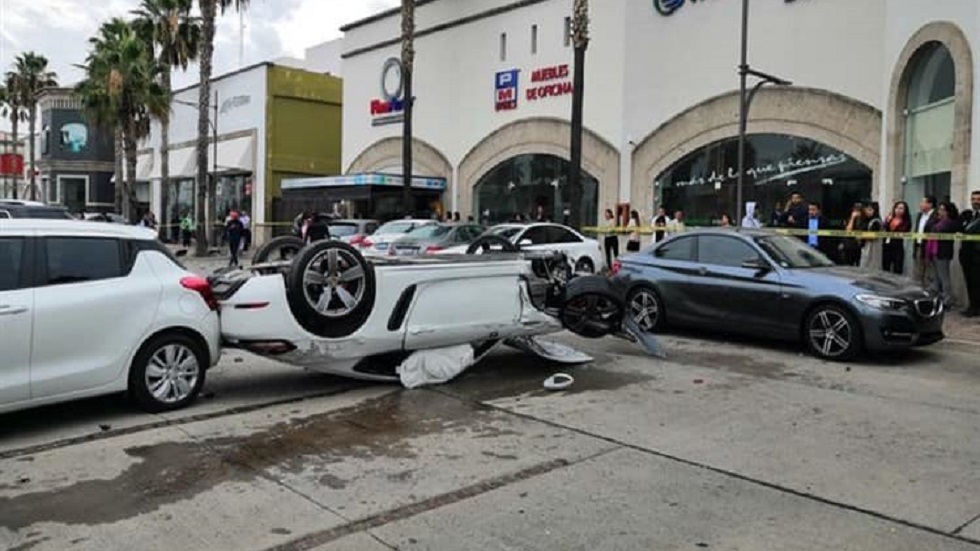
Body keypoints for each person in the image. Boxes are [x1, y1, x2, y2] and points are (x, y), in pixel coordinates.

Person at [926, 201, 960, 307]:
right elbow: (929, 228)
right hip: (934, 251)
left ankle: (947, 299)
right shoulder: (937, 221)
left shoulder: (950, 223)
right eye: (939, 209)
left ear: (948, 212)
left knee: (944, 277)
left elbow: (938, 231)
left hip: (943, 253)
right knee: (936, 277)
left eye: (943, 210)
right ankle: (937, 297)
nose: (940, 212)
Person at [959, 190, 980, 316]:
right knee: (970, 281)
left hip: (978, 254)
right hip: (967, 254)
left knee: (978, 282)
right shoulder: (968, 216)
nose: (975, 202)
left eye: (978, 199)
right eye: (973, 199)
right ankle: (973, 306)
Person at [913, 196, 939, 288]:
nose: (921, 204)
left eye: (923, 202)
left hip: (929, 248)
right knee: (918, 272)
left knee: (930, 273)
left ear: (930, 204)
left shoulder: (936, 216)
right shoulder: (920, 215)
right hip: (919, 246)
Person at [881, 201, 912, 275]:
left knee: (897, 268)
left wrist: (896, 226)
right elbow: (884, 228)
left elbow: (904, 230)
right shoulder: (890, 218)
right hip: (887, 245)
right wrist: (887, 221)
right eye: (897, 208)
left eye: (901, 208)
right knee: (885, 267)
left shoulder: (906, 221)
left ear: (905, 210)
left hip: (898, 246)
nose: (898, 210)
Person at [859, 202, 883, 271]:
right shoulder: (868, 220)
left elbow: (873, 236)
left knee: (871, 266)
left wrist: (862, 236)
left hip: (873, 248)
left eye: (870, 210)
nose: (867, 211)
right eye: (867, 209)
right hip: (867, 247)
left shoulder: (876, 221)